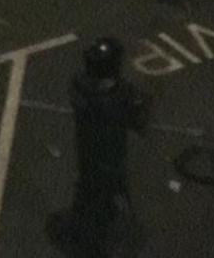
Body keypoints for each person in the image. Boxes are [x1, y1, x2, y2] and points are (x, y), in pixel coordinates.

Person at [55, 37, 150, 257]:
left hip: (87, 153)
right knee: (103, 196)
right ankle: (93, 243)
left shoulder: (79, 84)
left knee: (87, 189)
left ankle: (85, 227)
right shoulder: (117, 97)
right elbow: (138, 119)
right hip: (109, 156)